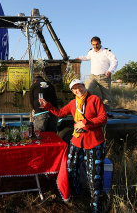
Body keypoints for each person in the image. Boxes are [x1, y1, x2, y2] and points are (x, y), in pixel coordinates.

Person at [39, 79, 107, 212]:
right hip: (77, 141)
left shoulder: (94, 99)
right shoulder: (73, 103)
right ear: (72, 91)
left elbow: (103, 118)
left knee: (94, 175)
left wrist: (86, 122)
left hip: (93, 142)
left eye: (79, 87)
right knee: (70, 168)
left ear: (83, 86)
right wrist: (47, 106)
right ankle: (77, 193)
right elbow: (59, 113)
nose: (78, 90)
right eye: (74, 88)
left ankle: (96, 205)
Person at [77, 36, 118, 111]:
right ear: (91, 44)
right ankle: (86, 110)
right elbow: (87, 57)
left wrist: (110, 71)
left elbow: (115, 61)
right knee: (85, 92)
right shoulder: (91, 51)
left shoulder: (106, 51)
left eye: (97, 44)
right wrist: (79, 58)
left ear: (100, 43)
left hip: (104, 77)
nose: (95, 46)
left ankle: (106, 113)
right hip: (93, 76)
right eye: (93, 44)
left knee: (106, 98)